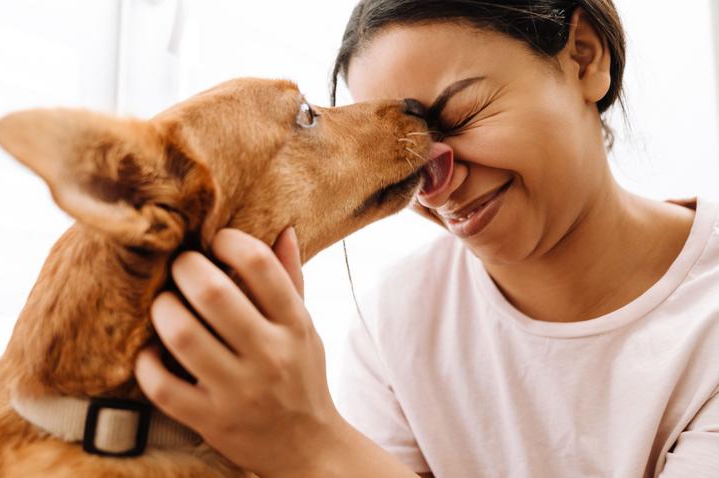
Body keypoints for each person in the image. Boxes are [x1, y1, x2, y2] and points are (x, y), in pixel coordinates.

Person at [134, 1, 719, 476]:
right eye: (407, 160)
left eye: (461, 116)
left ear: (584, 57)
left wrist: (308, 437)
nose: (436, 186)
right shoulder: (399, 314)